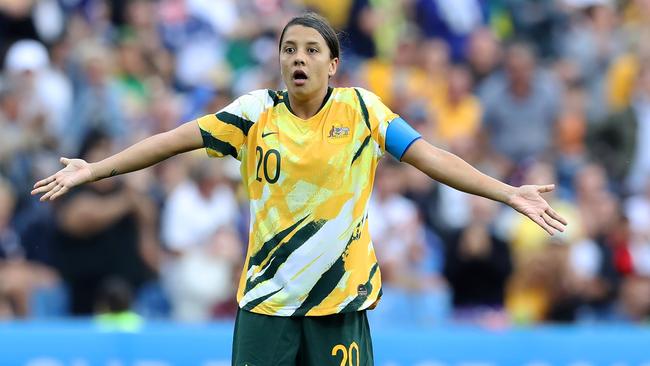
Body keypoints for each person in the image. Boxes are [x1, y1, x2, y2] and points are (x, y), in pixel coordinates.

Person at [32, 12, 567, 366]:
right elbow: (173, 140)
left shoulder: (362, 110)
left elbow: (431, 157)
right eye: (289, 49)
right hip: (266, 304)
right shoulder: (252, 114)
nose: (298, 58)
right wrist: (96, 169)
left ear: (333, 64)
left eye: (312, 50)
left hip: (339, 302)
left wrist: (507, 192)